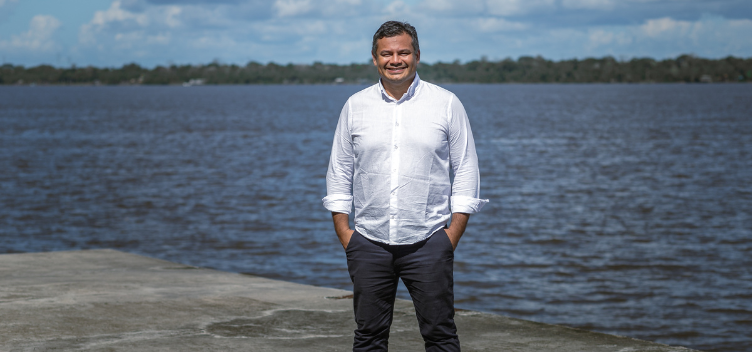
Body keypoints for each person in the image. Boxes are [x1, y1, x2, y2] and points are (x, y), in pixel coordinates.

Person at [323, 21, 488, 352]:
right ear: (374, 58)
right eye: (387, 53)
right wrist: (346, 233)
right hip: (368, 243)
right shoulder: (355, 106)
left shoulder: (446, 103)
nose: (395, 60)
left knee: (440, 335)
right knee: (368, 337)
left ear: (417, 55)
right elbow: (340, 168)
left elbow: (466, 167)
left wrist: (451, 235)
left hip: (428, 242)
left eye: (403, 52)